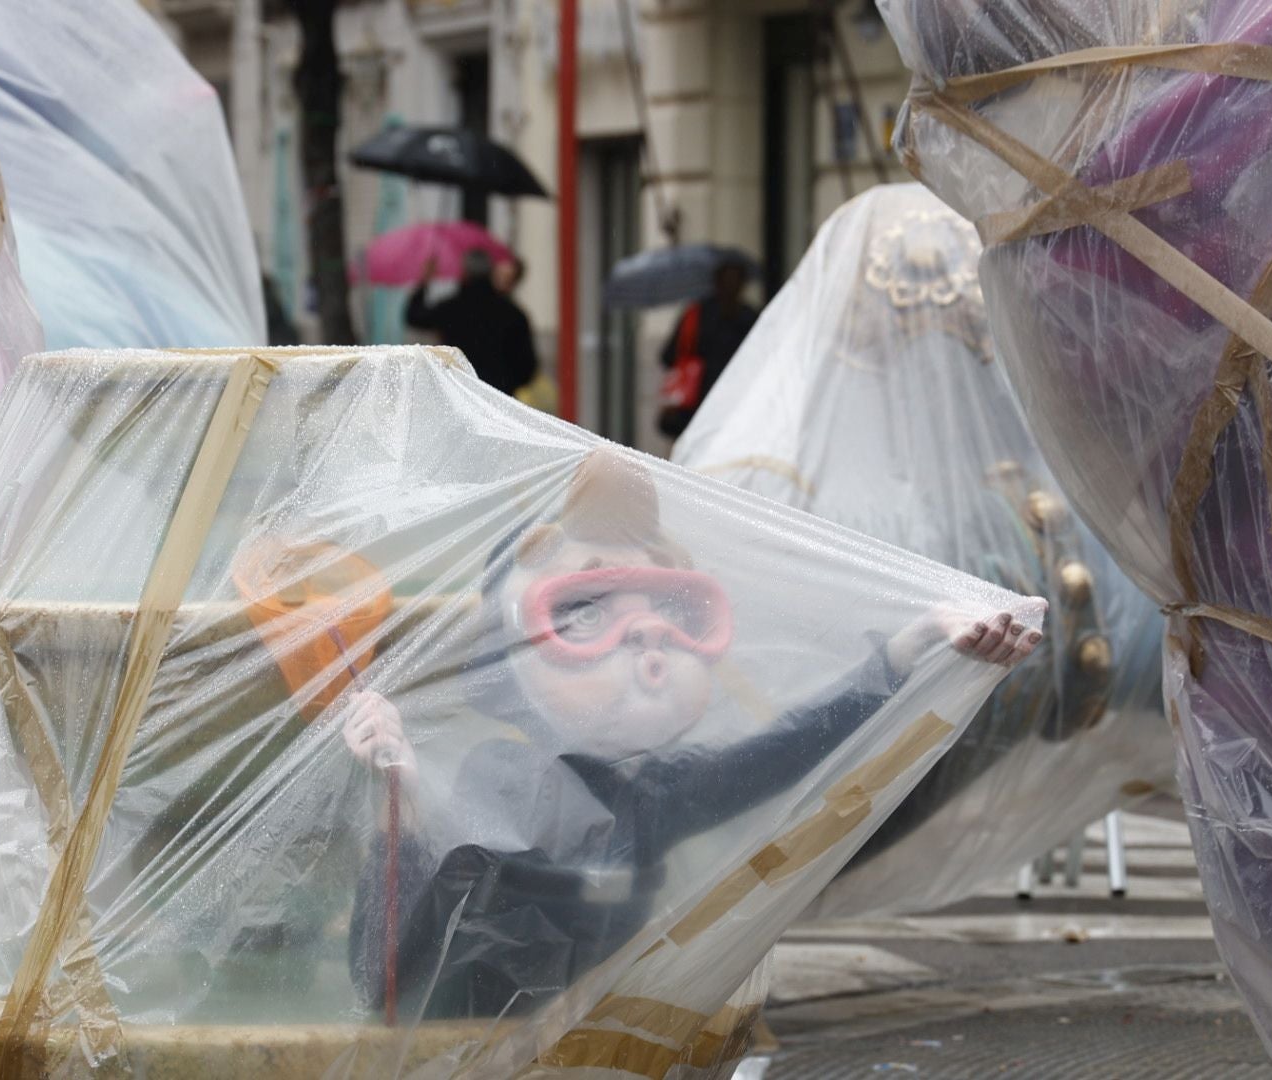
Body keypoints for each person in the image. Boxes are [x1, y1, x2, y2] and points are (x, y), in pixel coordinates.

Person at [339, 450, 1040, 1020]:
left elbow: (785, 751)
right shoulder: (492, 782)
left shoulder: (654, 795)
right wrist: (407, 807)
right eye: (586, 615)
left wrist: (909, 651)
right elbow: (383, 978)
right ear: (509, 653)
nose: (646, 640)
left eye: (676, 611)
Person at [406, 249, 538, 396]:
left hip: (458, 395)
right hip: (498, 398)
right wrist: (506, 383)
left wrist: (425, 281)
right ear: (491, 272)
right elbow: (527, 368)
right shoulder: (513, 314)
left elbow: (415, 317)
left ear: (465, 272)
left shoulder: (451, 308)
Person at [658, 262, 759, 438]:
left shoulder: (698, 314)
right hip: (732, 402)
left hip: (704, 406)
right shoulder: (749, 317)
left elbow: (669, 356)